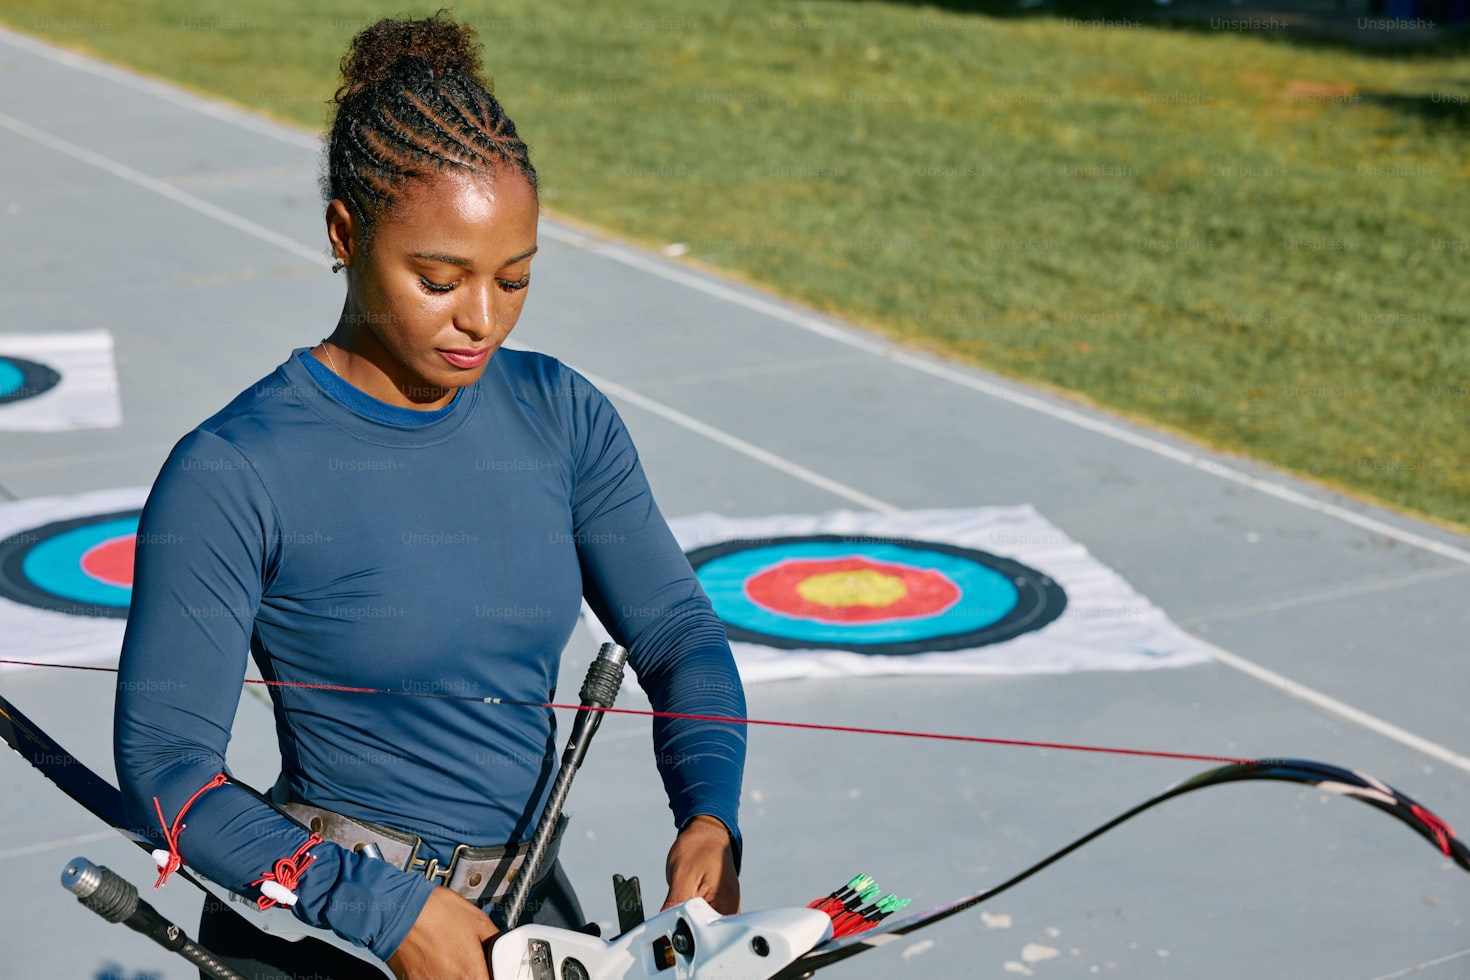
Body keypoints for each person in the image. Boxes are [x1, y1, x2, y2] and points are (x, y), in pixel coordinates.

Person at [112, 12, 746, 979]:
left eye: (515, 279)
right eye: (439, 279)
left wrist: (710, 814)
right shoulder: (230, 470)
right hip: (330, 932)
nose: (481, 320)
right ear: (344, 233)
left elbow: (677, 637)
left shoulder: (562, 415)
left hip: (531, 914)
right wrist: (380, 908)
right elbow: (167, 771)